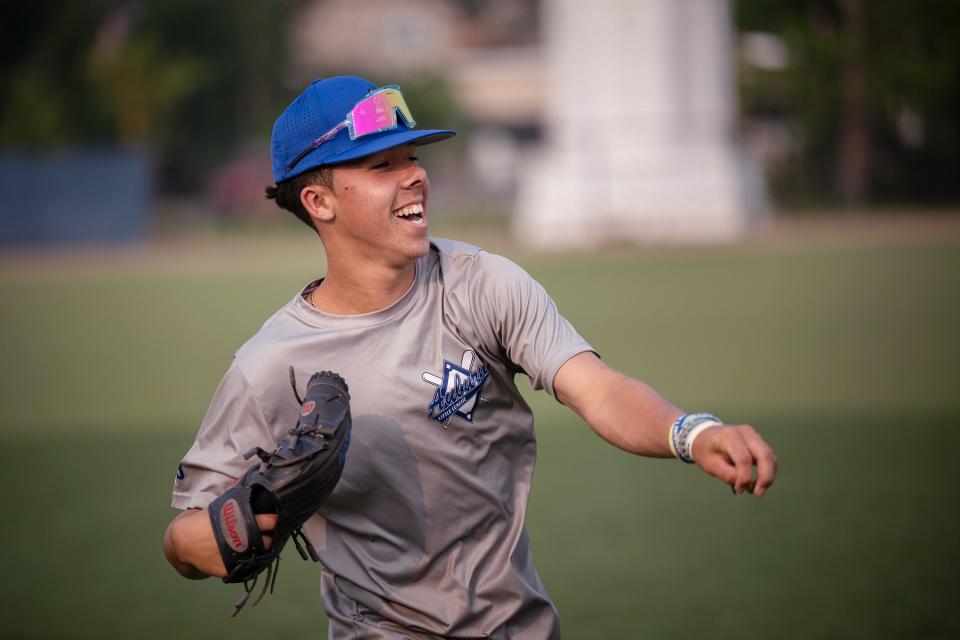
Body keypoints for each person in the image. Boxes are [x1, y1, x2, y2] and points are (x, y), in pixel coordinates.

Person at [163, 75, 778, 639]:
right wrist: (235, 526)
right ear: (320, 203)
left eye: (413, 158)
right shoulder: (271, 363)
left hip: (518, 626)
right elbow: (184, 538)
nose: (414, 177)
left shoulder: (480, 285)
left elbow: (599, 389)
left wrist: (691, 433)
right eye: (382, 165)